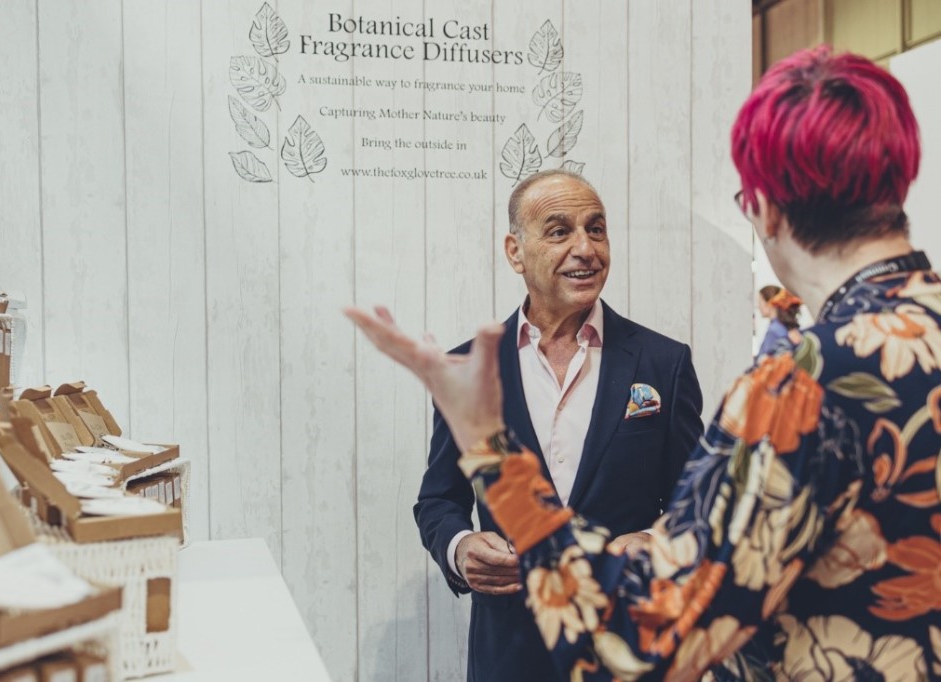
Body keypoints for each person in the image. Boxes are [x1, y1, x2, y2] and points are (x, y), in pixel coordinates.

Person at [347, 46, 941, 680]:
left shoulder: (798, 388)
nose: (584, 249)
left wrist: (489, 449)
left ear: (764, 206)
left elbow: (651, 639)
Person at [413, 169, 704, 681]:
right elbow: (439, 499)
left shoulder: (664, 363)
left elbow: (699, 501)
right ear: (515, 251)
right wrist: (460, 547)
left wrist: (656, 541)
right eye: (558, 230)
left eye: (596, 229)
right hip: (511, 653)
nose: (585, 248)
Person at [756, 285, 803, 358]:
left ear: (769, 304)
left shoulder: (774, 331)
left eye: (760, 302)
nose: (758, 306)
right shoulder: (786, 328)